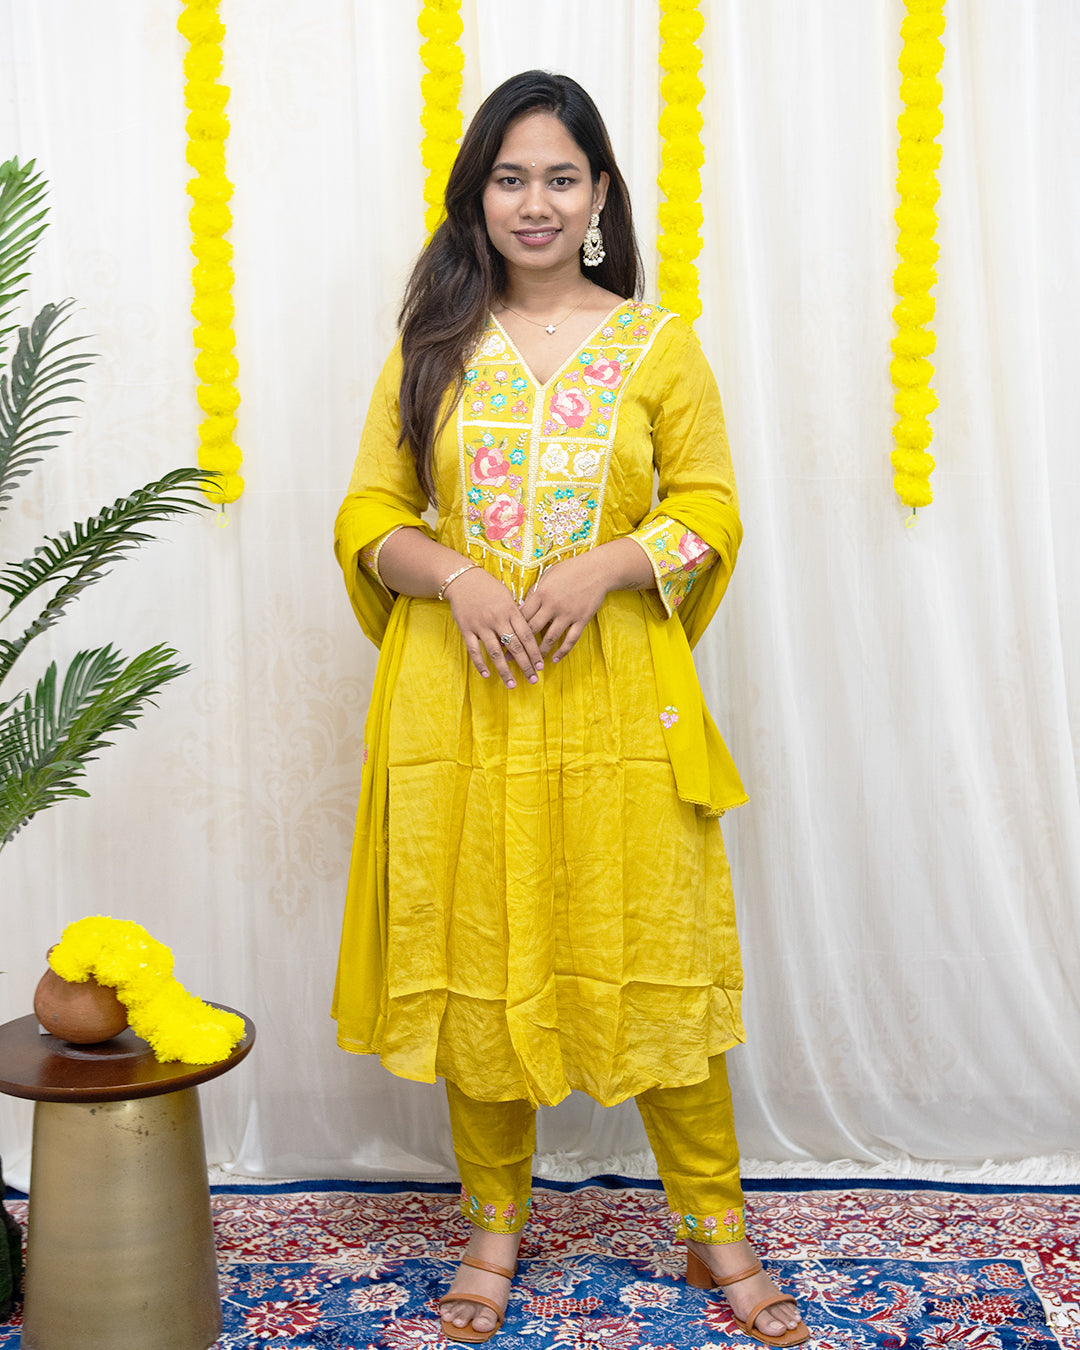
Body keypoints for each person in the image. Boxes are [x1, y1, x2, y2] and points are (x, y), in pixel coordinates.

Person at [333, 70, 809, 1347]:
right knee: (485, 959)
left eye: (559, 176)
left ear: (600, 192)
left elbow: (709, 506)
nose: (534, 201)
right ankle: (495, 1226)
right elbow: (368, 515)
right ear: (475, 196)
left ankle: (716, 1233)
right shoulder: (431, 345)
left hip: (614, 707)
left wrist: (611, 564)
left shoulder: (660, 345)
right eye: (509, 177)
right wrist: (457, 575)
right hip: (465, 703)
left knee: (654, 957)